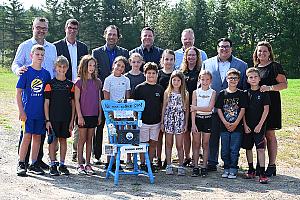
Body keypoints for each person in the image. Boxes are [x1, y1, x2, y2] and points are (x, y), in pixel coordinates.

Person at [12, 17, 57, 170]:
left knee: (40, 133)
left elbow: (54, 68)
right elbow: (16, 63)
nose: (41, 30)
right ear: (33, 28)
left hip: (44, 98)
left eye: (44, 28)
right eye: (38, 27)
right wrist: (18, 70)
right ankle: (22, 161)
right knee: (26, 134)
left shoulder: (51, 48)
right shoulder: (25, 46)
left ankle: (36, 161)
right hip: (29, 99)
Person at [202, 38, 248, 172]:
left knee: (232, 138)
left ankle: (230, 163)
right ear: (217, 48)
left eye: (227, 47)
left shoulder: (242, 65)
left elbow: (244, 88)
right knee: (213, 136)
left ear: (231, 49)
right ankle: (212, 161)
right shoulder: (207, 63)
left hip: (233, 110)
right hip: (212, 107)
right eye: (221, 47)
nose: (224, 49)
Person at [92, 25, 129, 165]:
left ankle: (117, 157)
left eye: (114, 34)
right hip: (104, 94)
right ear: (105, 35)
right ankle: (97, 155)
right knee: (100, 125)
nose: (112, 37)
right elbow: (95, 72)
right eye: (109, 34)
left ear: (118, 37)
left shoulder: (124, 52)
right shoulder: (96, 52)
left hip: (119, 98)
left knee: (117, 129)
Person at [53, 18, 88, 163]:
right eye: (70, 28)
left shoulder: (83, 47)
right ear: (65, 29)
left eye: (75, 28)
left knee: (78, 119)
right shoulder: (56, 46)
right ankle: (53, 155)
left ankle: (76, 152)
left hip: (79, 87)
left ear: (77, 30)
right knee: (59, 119)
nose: (72, 30)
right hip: (62, 88)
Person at [253, 41, 288, 177]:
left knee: (270, 134)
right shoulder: (255, 67)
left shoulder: (275, 67)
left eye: (265, 51)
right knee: (259, 135)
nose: (262, 53)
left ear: (269, 53)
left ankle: (272, 165)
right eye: (259, 51)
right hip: (257, 105)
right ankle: (260, 163)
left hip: (272, 104)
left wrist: (270, 88)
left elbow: (284, 84)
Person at [16, 45, 51, 176]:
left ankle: (34, 163)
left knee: (37, 137)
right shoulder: (26, 72)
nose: (40, 57)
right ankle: (21, 163)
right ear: (31, 56)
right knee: (27, 136)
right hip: (28, 112)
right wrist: (21, 110)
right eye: (37, 54)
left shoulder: (46, 74)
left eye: (42, 55)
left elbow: (47, 95)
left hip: (41, 112)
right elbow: (18, 92)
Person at [44, 56, 75, 176]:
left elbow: (73, 104)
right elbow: (46, 103)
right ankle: (52, 164)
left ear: (67, 68)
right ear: (55, 68)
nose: (61, 69)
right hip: (52, 118)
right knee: (53, 141)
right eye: (59, 66)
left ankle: (62, 164)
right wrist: (47, 120)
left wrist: (72, 120)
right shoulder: (49, 84)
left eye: (64, 67)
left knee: (63, 140)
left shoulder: (70, 85)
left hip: (66, 118)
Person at [215, 68, 247, 179]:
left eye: (235, 78)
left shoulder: (241, 94)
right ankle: (226, 168)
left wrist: (235, 123)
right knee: (224, 149)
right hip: (224, 126)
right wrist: (225, 122)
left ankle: (233, 168)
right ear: (226, 79)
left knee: (234, 149)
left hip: (237, 127)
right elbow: (219, 109)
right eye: (230, 78)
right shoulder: (222, 94)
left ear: (238, 80)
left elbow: (242, 109)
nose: (232, 80)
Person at [133, 62, 164, 172]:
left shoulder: (160, 89)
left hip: (155, 122)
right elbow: (135, 106)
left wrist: (161, 120)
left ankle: (149, 163)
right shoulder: (139, 88)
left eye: (153, 73)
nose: (151, 75)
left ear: (157, 74)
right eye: (149, 73)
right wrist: (137, 119)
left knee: (153, 143)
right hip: (143, 122)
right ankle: (142, 163)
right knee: (143, 144)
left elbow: (161, 105)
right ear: (145, 74)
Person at [74, 55, 102, 175]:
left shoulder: (97, 82)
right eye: (89, 65)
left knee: (90, 139)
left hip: (94, 115)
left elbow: (99, 100)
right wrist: (79, 115)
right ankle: (80, 163)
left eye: (93, 65)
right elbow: (76, 100)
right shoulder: (79, 82)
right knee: (82, 139)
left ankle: (88, 164)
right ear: (84, 66)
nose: (91, 68)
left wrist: (100, 115)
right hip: (82, 115)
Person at [242, 67, 270, 184]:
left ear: (259, 79)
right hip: (247, 126)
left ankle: (262, 173)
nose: (253, 79)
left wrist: (260, 125)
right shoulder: (245, 93)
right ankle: (251, 169)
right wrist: (244, 125)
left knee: (260, 149)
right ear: (247, 80)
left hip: (259, 126)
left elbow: (266, 110)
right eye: (251, 77)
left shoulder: (263, 93)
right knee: (248, 148)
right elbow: (242, 111)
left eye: (255, 77)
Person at [161, 70, 189, 176]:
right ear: (171, 80)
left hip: (180, 120)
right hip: (168, 119)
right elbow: (164, 107)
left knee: (179, 144)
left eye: (178, 80)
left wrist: (186, 123)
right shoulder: (167, 92)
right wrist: (162, 122)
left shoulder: (185, 94)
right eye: (174, 80)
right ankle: (169, 164)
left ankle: (181, 165)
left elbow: (186, 110)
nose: (176, 82)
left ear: (181, 82)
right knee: (168, 143)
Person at [190, 70, 216, 177]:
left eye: (207, 79)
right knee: (196, 144)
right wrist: (193, 124)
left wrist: (196, 107)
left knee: (205, 144)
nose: (205, 81)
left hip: (208, 119)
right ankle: (195, 166)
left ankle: (204, 166)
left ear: (210, 80)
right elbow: (193, 110)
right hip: (197, 120)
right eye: (203, 79)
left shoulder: (213, 92)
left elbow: (210, 108)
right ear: (199, 80)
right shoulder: (195, 92)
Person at [180, 46, 202, 167]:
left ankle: (196, 158)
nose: (191, 57)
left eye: (193, 55)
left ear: (197, 57)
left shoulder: (200, 71)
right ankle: (186, 156)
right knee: (185, 132)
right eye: (189, 55)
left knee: (196, 133)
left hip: (197, 106)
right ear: (186, 57)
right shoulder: (182, 72)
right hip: (184, 105)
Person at [125, 53, 145, 169]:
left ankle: (140, 160)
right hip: (128, 110)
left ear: (141, 62)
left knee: (140, 134)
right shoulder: (126, 76)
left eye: (138, 62)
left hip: (141, 111)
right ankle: (128, 159)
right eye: (133, 62)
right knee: (128, 134)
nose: (136, 64)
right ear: (130, 62)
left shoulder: (143, 76)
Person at [156, 49, 176, 169]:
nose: (168, 62)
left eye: (171, 59)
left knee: (170, 137)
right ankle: (158, 158)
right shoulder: (157, 74)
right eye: (166, 59)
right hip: (158, 108)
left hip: (172, 110)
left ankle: (167, 159)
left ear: (174, 61)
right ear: (162, 60)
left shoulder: (177, 74)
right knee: (158, 136)